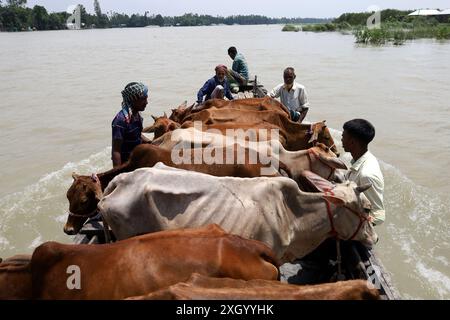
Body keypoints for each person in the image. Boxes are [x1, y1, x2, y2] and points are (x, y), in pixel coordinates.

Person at [341, 119, 385, 226]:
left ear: (352, 142)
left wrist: (356, 225)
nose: (341, 139)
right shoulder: (360, 159)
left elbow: (379, 215)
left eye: (343, 136)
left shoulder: (366, 175)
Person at [111, 82, 148, 168]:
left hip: (137, 159)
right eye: (143, 99)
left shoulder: (137, 115)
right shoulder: (120, 121)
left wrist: (150, 142)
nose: (146, 102)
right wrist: (118, 172)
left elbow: (137, 135)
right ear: (133, 99)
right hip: (127, 164)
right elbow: (116, 151)